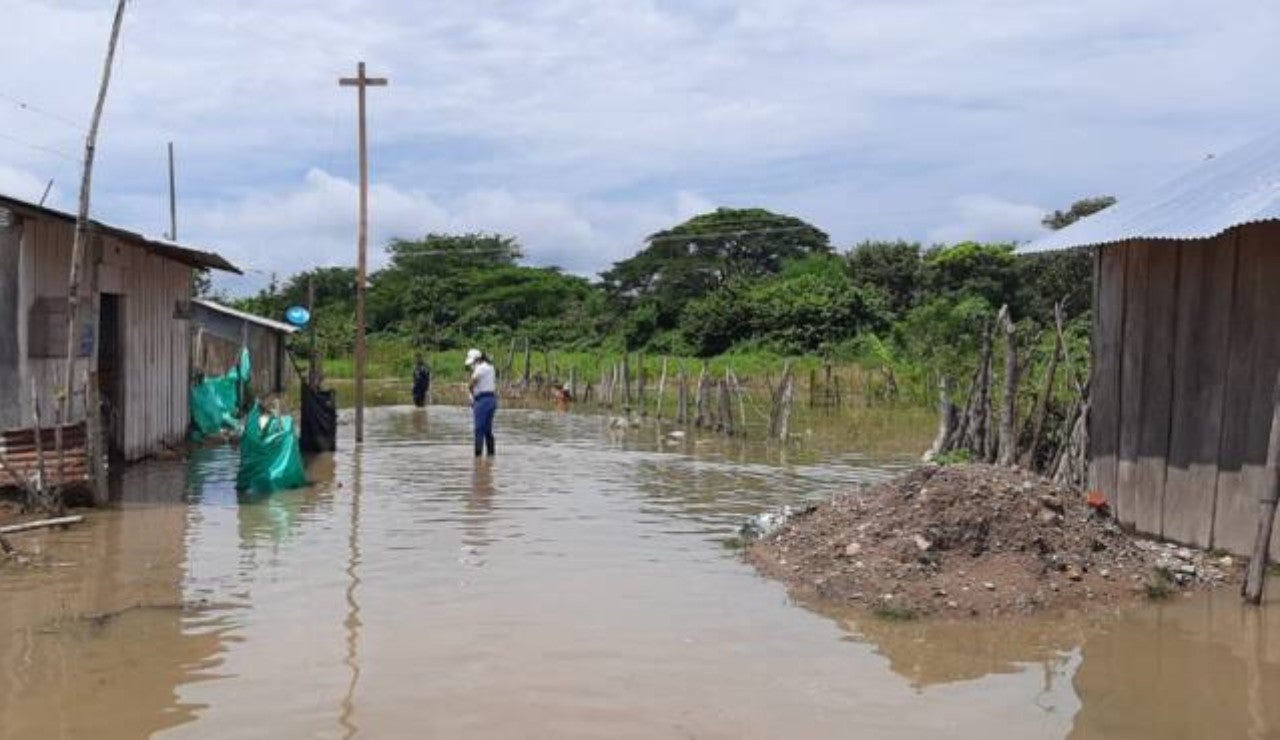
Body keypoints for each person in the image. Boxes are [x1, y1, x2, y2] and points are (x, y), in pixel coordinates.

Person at [466, 348, 497, 457]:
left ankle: (477, 458)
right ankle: (491, 456)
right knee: (488, 430)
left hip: (482, 400)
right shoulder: (490, 367)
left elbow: (470, 384)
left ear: (476, 360)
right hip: (492, 399)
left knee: (479, 430)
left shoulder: (479, 369)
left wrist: (472, 397)